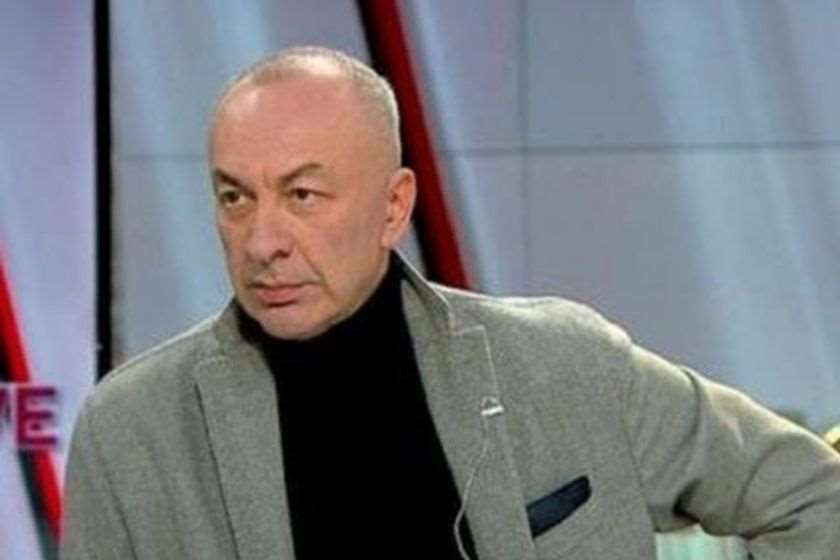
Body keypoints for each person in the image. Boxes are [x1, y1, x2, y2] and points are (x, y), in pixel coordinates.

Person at [62, 46, 840, 560]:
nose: (262, 240)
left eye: (302, 195)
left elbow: (814, 498)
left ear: (394, 206)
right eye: (235, 197)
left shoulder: (562, 367)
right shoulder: (132, 431)